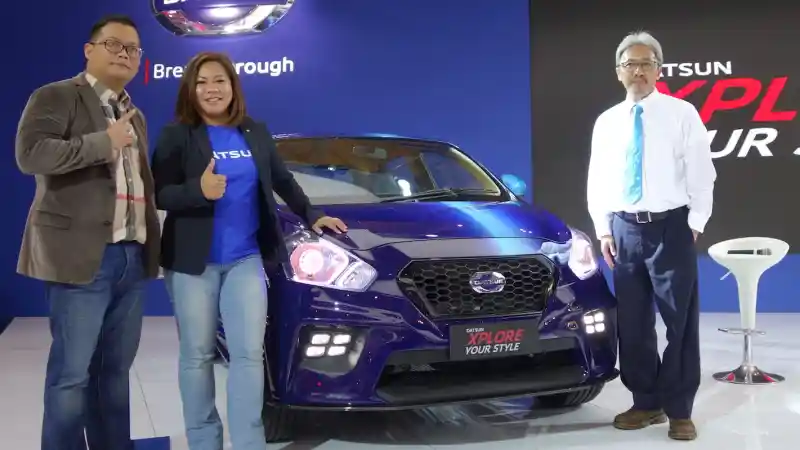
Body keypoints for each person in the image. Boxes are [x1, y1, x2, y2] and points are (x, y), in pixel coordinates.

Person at [151, 51, 347, 450]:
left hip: (245, 259)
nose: (211, 89)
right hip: (191, 264)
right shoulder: (177, 135)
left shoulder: (254, 131)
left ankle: (248, 442)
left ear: (232, 86)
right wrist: (198, 191)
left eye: (219, 81)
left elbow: (282, 179)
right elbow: (160, 192)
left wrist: (313, 215)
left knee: (247, 356)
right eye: (202, 82)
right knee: (197, 356)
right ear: (190, 89)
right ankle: (204, 441)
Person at [14, 15, 161, 450]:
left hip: (131, 257)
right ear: (89, 49)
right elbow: (31, 155)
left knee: (114, 374)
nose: (124, 54)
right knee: (72, 376)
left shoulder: (135, 114)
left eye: (132, 49)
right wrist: (104, 141)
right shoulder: (57, 95)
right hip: (82, 257)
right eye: (114, 44)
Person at [586, 31, 716, 441]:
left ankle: (679, 409)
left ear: (659, 70)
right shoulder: (607, 121)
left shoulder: (681, 113)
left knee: (680, 323)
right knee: (633, 323)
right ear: (618, 72)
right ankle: (645, 402)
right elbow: (598, 178)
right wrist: (603, 228)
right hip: (623, 230)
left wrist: (695, 221)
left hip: (670, 227)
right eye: (631, 64)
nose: (638, 71)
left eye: (646, 63)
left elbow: (702, 171)